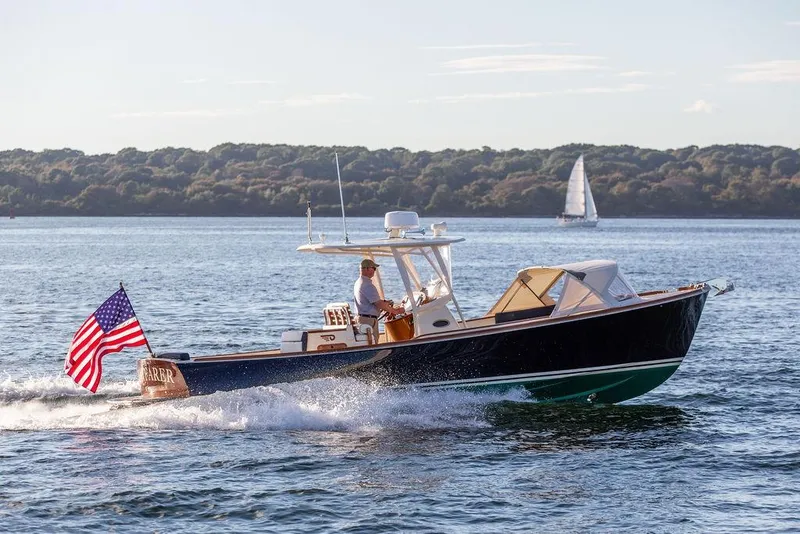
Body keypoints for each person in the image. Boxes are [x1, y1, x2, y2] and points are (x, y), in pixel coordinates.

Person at [353, 258, 405, 333]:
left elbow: (372, 301)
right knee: (372, 343)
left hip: (362, 320)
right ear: (367, 269)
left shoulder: (358, 282)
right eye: (374, 268)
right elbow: (379, 304)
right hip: (368, 322)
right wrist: (396, 311)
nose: (375, 271)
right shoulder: (367, 285)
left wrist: (385, 303)